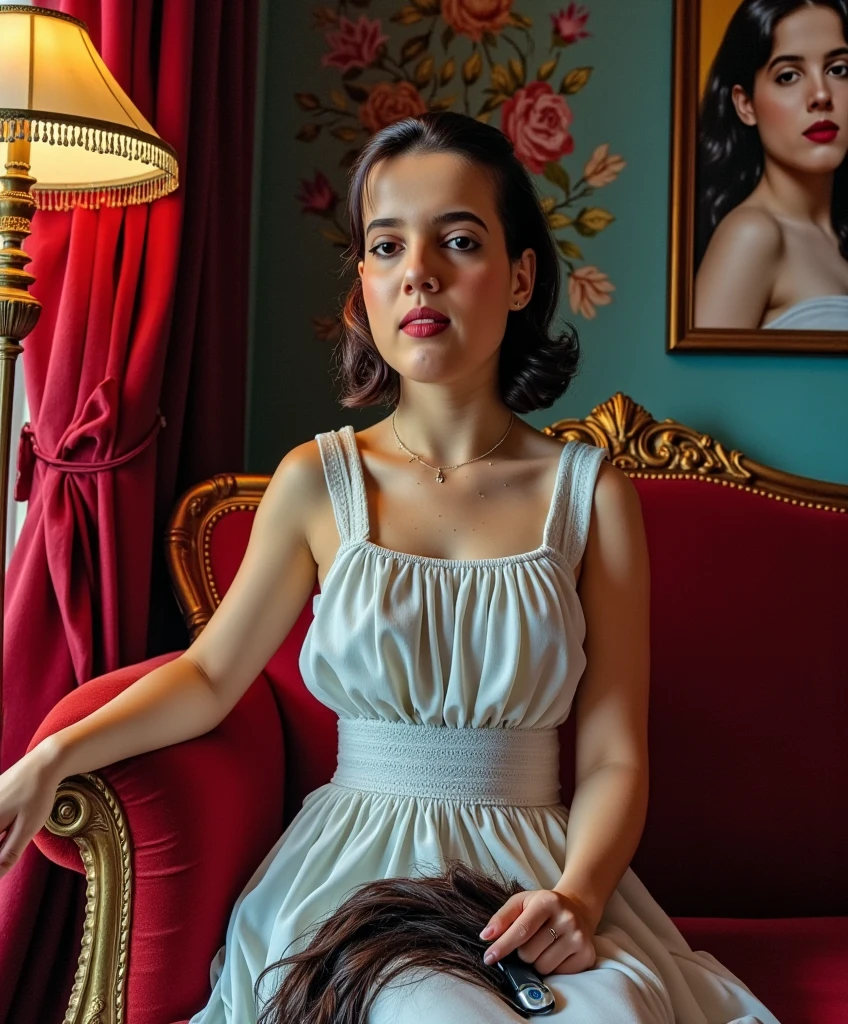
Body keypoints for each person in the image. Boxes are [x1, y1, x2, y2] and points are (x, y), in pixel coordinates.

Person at [0, 113, 778, 1023]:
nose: (421, 269)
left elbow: (612, 754)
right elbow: (209, 677)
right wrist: (48, 758)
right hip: (353, 869)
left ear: (521, 276)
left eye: (458, 238)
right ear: (364, 288)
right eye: (387, 244)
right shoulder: (315, 482)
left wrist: (579, 895)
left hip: (531, 879)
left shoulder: (592, 496)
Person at [695, 0, 848, 330]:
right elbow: (701, 382)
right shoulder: (752, 235)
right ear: (745, 104)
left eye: (838, 70)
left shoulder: (835, 235)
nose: (821, 94)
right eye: (789, 75)